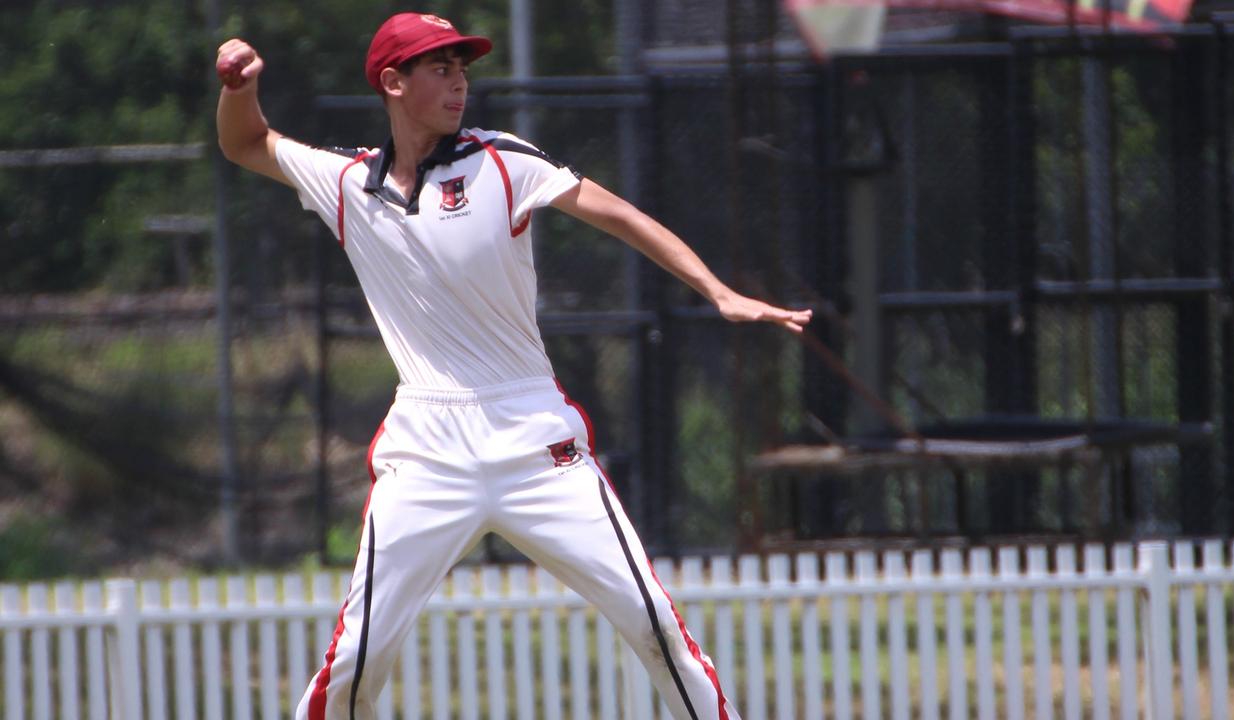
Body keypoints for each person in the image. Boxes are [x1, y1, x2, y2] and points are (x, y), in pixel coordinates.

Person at [216, 12, 811, 720]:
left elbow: (619, 214)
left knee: (654, 625)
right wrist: (237, 87)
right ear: (392, 82)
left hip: (534, 439)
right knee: (356, 660)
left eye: (462, 67)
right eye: (440, 68)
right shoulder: (348, 185)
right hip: (428, 450)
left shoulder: (502, 160)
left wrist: (717, 291)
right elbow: (246, 142)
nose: (459, 81)